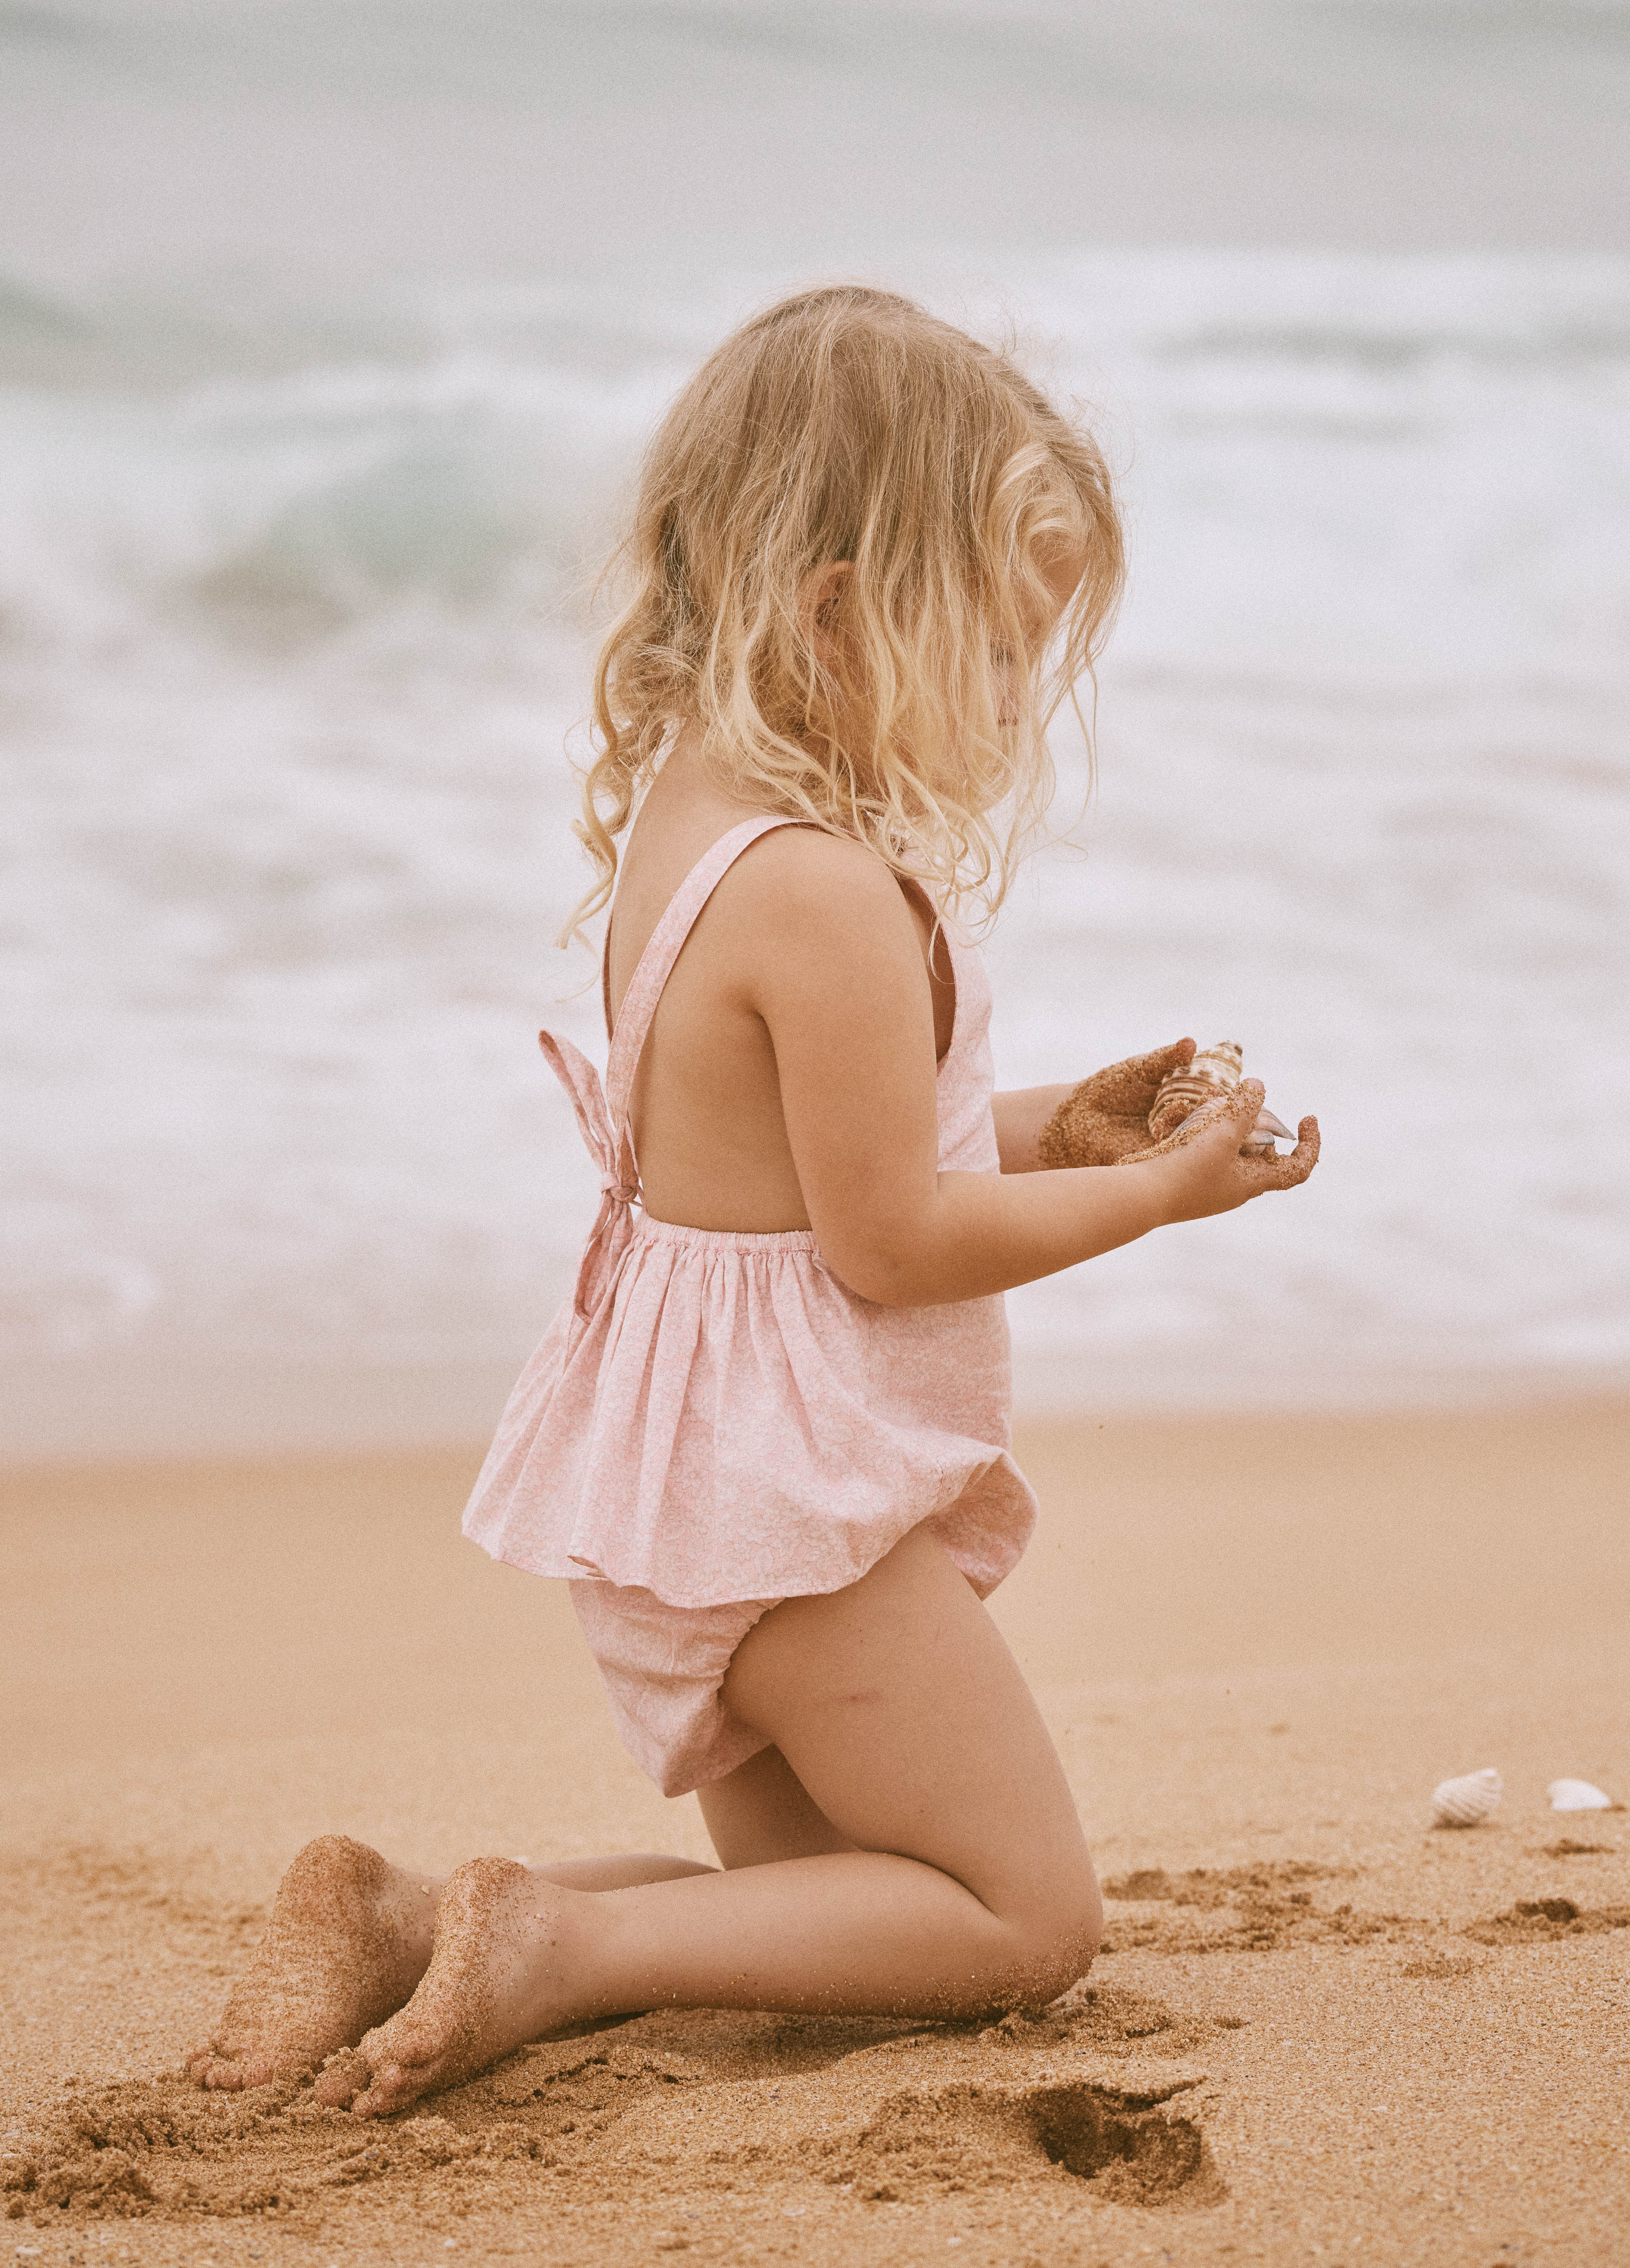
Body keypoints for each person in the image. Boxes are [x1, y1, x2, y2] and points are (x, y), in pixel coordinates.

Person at [185, 285, 1318, 2121]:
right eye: (1002, 654)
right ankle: (567, 1946)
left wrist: (1051, 1129)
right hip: (796, 1502)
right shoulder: (827, 893)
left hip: (686, 1479)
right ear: (839, 610)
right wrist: (1169, 1203)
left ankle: (400, 1921)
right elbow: (891, 1240)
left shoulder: (700, 830)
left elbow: (803, 1170)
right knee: (1021, 1915)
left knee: (810, 1909)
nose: (1021, 707)